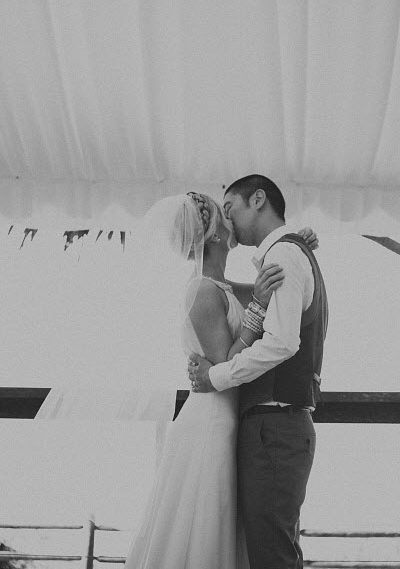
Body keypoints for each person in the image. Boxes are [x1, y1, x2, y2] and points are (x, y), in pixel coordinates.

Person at [124, 191, 318, 569]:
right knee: (205, 526)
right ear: (212, 234)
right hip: (212, 422)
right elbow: (225, 365)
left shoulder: (223, 286)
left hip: (233, 420)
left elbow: (272, 286)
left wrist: (297, 242)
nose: (230, 218)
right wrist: (258, 308)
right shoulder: (200, 291)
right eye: (222, 212)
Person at [188, 175, 329, 569]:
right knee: (268, 551)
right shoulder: (280, 256)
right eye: (221, 217)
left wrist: (214, 377)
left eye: (230, 209)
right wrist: (294, 243)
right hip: (268, 427)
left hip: (273, 427)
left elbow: (282, 343)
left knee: (272, 557)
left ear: (259, 199)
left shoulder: (283, 256)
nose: (227, 222)